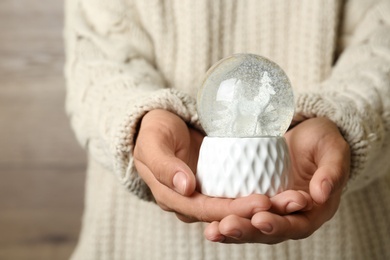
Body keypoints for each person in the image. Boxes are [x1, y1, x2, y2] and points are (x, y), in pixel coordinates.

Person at [64, 0, 390, 259]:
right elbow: (97, 54)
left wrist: (346, 119)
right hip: (133, 243)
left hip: (349, 241)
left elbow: (381, 42)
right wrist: (141, 121)